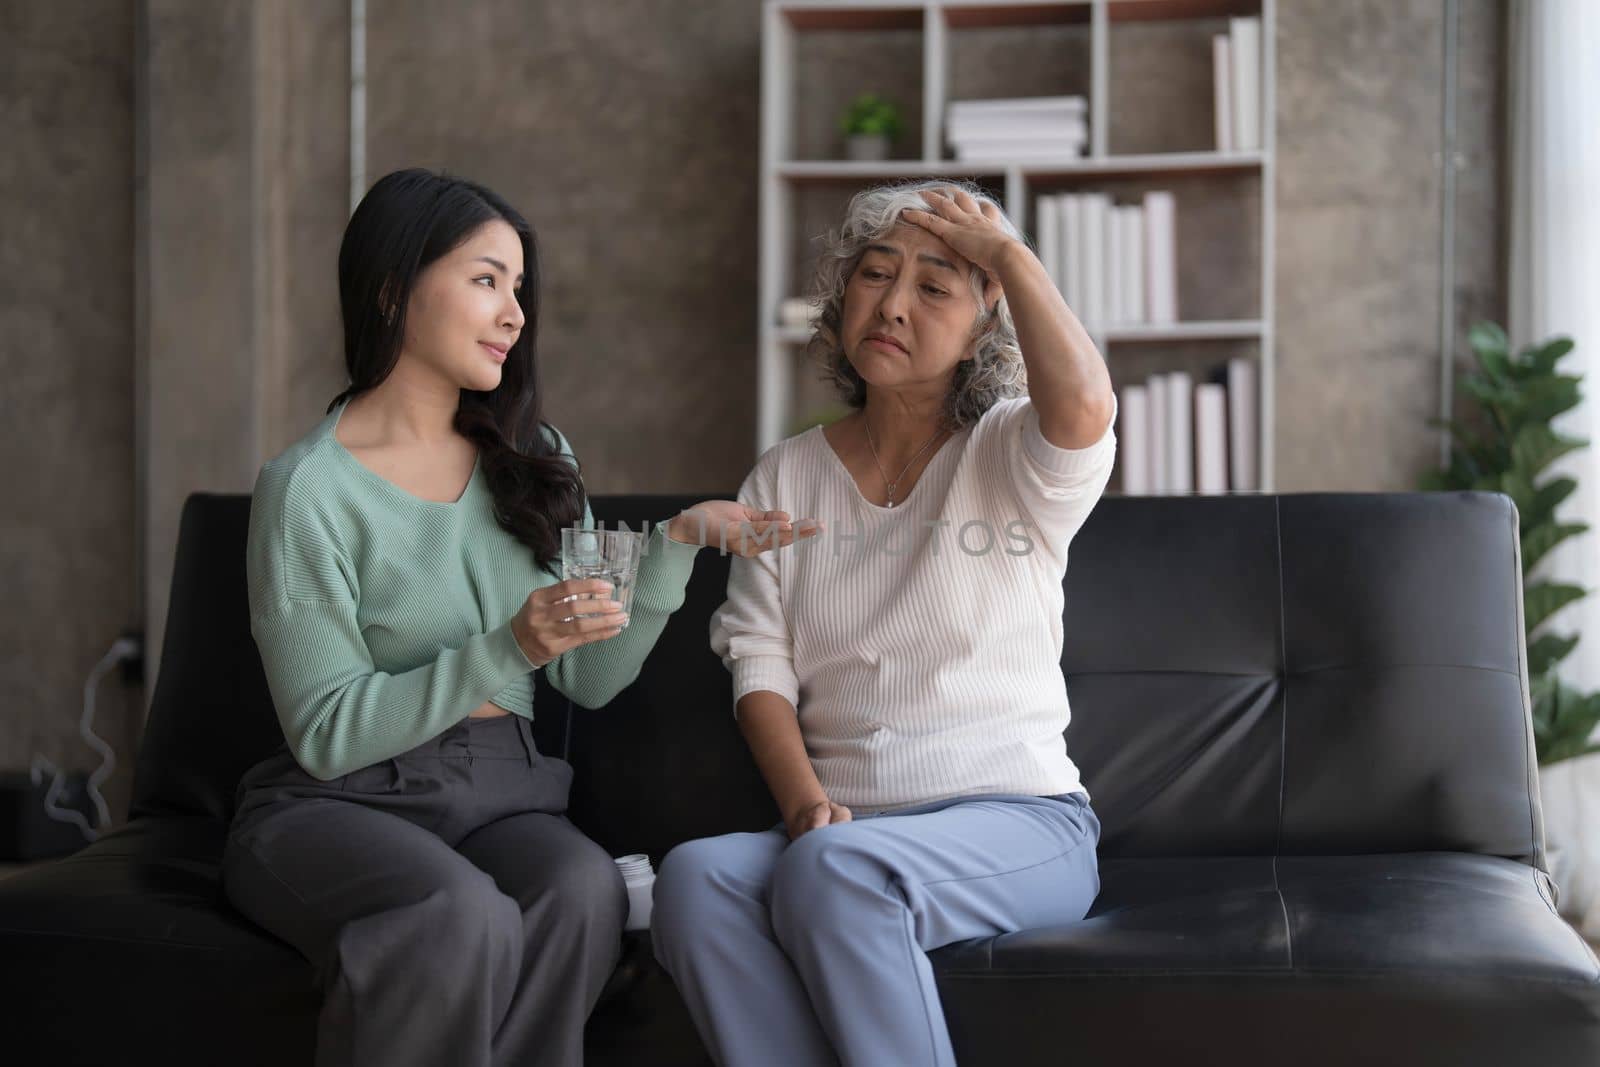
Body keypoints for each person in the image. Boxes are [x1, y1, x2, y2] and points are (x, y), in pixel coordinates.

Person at [221, 167, 815, 1067]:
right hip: (339, 799)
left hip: (502, 790)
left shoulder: (532, 458)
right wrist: (506, 645)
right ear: (392, 288)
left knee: (582, 889)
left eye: (519, 289)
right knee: (455, 912)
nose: (515, 315)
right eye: (486, 279)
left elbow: (591, 679)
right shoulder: (308, 488)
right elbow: (327, 731)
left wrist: (677, 547)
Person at [650, 179, 1117, 1067]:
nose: (894, 304)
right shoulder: (784, 475)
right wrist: (803, 805)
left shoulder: (1015, 453)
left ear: (984, 325)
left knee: (837, 873)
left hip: (1021, 823)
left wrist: (1009, 257)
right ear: (841, 297)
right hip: (851, 832)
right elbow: (759, 663)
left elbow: (1086, 409)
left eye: (935, 286)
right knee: (697, 880)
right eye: (874, 275)